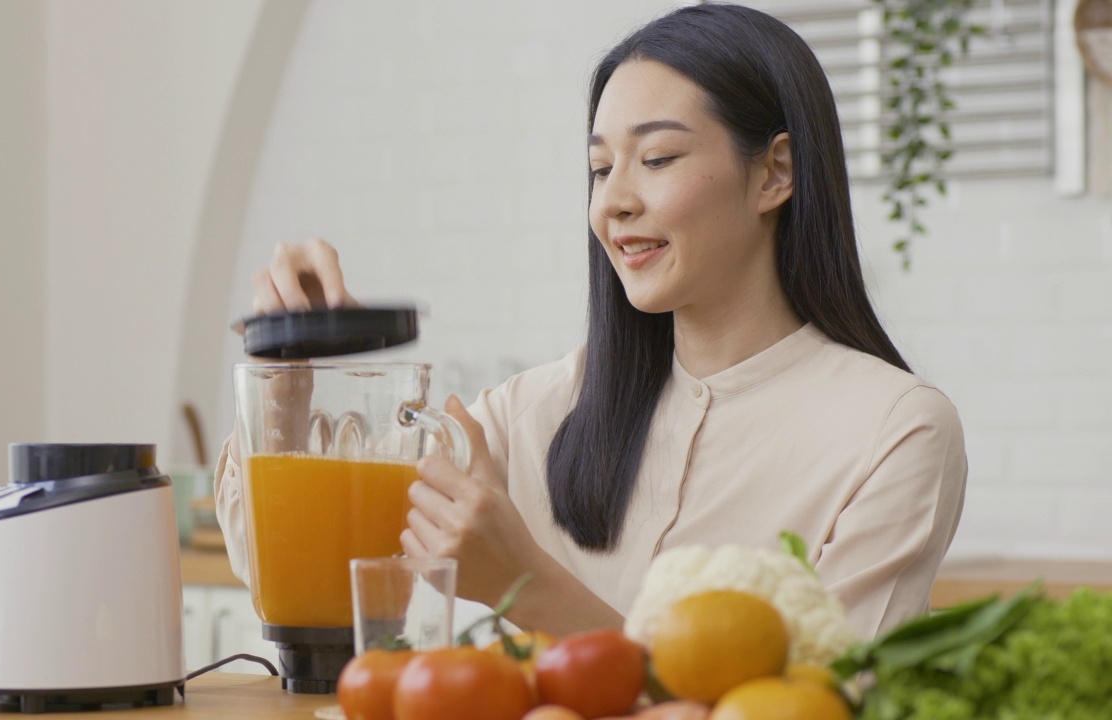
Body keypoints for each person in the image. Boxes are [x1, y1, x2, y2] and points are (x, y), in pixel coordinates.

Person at [214, 4, 966, 640]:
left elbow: (819, 709)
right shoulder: (531, 414)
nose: (613, 202)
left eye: (659, 158)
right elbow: (292, 566)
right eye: (601, 168)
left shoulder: (894, 431)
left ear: (775, 172)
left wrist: (528, 585)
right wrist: (289, 376)